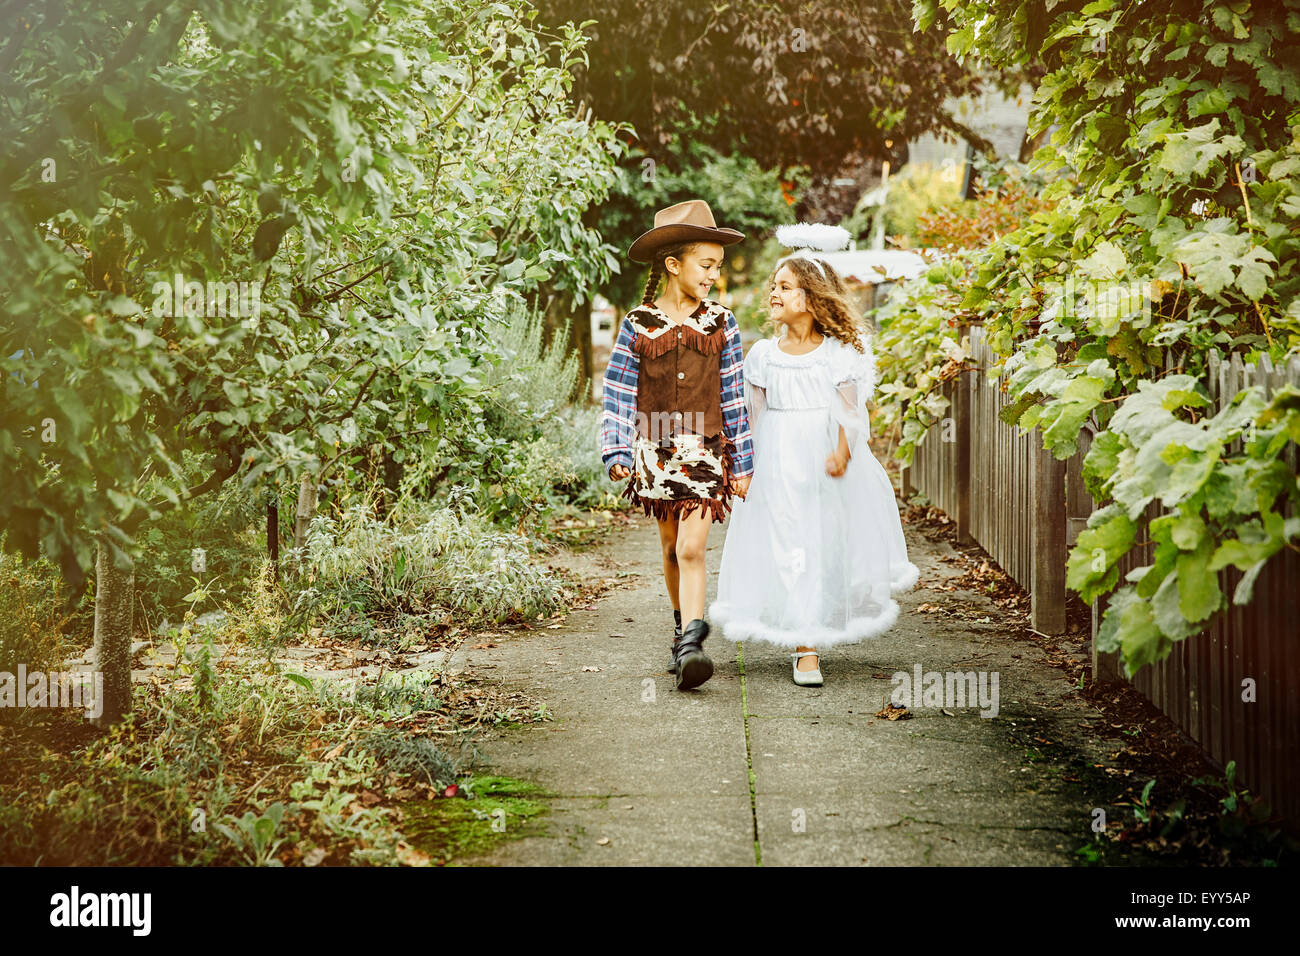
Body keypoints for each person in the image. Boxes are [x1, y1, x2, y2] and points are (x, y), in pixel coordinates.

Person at [709, 245, 918, 686]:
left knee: (818, 542)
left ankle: (810, 635)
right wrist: (744, 465)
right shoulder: (764, 355)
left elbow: (849, 410)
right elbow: (753, 415)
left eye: (785, 286)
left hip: (822, 459)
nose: (774, 293)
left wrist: (843, 452)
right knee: (786, 540)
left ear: (812, 296)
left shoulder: (837, 353)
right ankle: (802, 637)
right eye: (774, 286)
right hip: (777, 457)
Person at [600, 199, 754, 690]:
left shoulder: (722, 323)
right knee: (670, 550)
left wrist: (744, 462)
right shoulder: (638, 324)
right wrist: (617, 451)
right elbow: (619, 392)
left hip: (707, 453)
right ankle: (679, 630)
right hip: (654, 454)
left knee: (692, 548)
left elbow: (733, 394)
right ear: (674, 264)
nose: (712, 276)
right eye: (705, 266)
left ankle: (693, 643)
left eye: (717, 267)